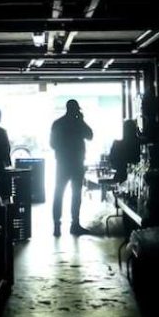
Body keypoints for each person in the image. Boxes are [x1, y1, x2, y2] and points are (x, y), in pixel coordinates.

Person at [50, 99, 93, 236]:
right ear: (75, 109)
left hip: (62, 163)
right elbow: (90, 135)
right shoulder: (78, 124)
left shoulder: (57, 123)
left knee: (59, 194)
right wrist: (81, 121)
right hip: (76, 163)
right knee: (76, 194)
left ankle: (57, 226)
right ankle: (75, 224)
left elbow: (52, 144)